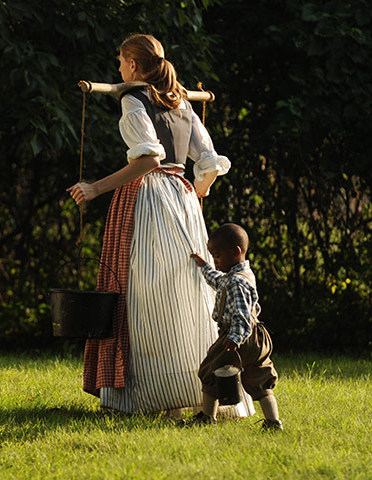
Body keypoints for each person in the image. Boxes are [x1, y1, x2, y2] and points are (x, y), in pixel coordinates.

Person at [67, 33, 254, 417]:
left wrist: (94, 188)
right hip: (183, 199)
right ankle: (187, 391)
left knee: (144, 295)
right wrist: (196, 191)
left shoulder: (134, 99)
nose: (118, 68)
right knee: (186, 291)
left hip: (149, 200)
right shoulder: (182, 101)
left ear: (133, 66)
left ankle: (149, 396)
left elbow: (149, 159)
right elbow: (209, 163)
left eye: (121, 61)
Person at [189, 223, 283, 431]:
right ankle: (273, 422)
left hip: (238, 335)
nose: (215, 260)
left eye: (218, 256)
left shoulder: (236, 283)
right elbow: (218, 281)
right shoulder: (242, 274)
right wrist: (205, 266)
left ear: (235, 252)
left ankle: (207, 416)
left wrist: (234, 338)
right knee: (259, 376)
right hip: (258, 338)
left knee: (210, 369)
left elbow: (241, 317)